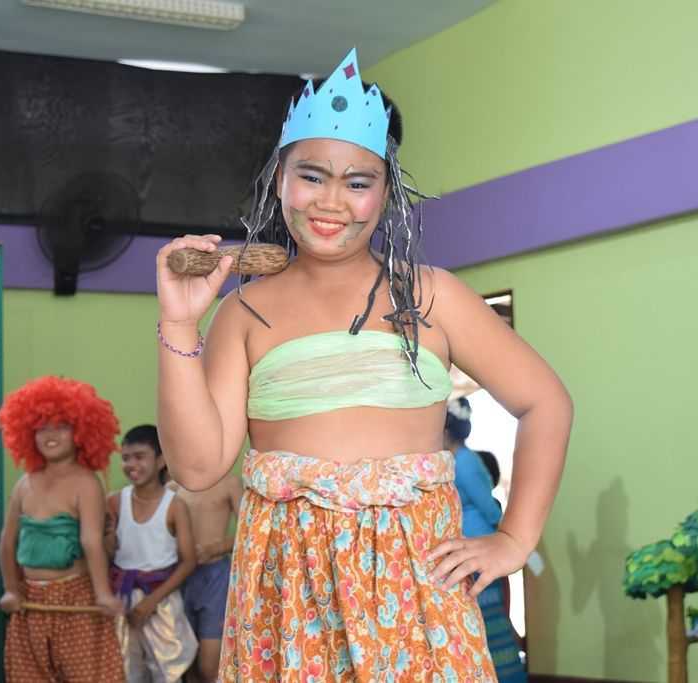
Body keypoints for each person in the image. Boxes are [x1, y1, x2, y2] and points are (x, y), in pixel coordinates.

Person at [155, 47, 573, 680]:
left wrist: (514, 538)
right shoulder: (243, 313)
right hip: (288, 602)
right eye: (312, 176)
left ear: (385, 192)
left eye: (357, 183)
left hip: (416, 598)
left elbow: (547, 403)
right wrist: (180, 323)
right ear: (279, 178)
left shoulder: (432, 295)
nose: (331, 202)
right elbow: (195, 466)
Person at [0, 375, 125, 682]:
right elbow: (7, 542)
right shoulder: (24, 484)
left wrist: (102, 594)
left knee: (90, 675)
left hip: (76, 599)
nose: (50, 435)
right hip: (30, 602)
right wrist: (12, 589)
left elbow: (91, 541)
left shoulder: (86, 483)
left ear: (81, 432)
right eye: (41, 427)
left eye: (61, 426)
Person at [106, 424, 198, 682]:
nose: (131, 464)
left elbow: (189, 561)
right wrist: (106, 535)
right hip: (122, 600)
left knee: (167, 671)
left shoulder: (175, 506)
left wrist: (150, 602)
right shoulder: (115, 501)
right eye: (125, 458)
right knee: (125, 670)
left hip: (162, 601)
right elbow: (108, 554)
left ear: (160, 461)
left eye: (139, 457)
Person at [446, 398, 527, 682]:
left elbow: (487, 506)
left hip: (479, 549)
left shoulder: (465, 462)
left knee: (489, 623)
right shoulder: (456, 460)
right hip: (467, 549)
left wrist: (506, 537)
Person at [167, 471, 243, 682]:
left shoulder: (228, 483)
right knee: (187, 660)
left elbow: (249, 531)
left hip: (215, 576)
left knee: (209, 667)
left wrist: (216, 548)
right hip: (181, 576)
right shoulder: (173, 488)